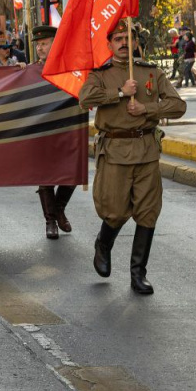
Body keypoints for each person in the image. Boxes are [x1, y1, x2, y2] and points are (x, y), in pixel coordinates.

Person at [79, 23, 186, 294]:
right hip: (115, 150)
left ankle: (138, 274)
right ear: (110, 44)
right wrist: (120, 93)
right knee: (114, 211)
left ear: (136, 41)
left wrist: (147, 109)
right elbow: (85, 98)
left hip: (147, 149)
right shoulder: (100, 74)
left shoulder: (151, 71)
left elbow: (178, 106)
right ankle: (103, 244)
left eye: (129, 38)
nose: (124, 42)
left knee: (148, 213)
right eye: (118, 39)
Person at [30, 25, 78, 239]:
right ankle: (50, 220)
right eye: (38, 44)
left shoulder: (70, 69)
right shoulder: (31, 70)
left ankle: (59, 208)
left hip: (67, 129)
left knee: (73, 173)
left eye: (44, 43)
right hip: (42, 131)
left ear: (55, 43)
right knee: (46, 176)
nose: (40, 48)